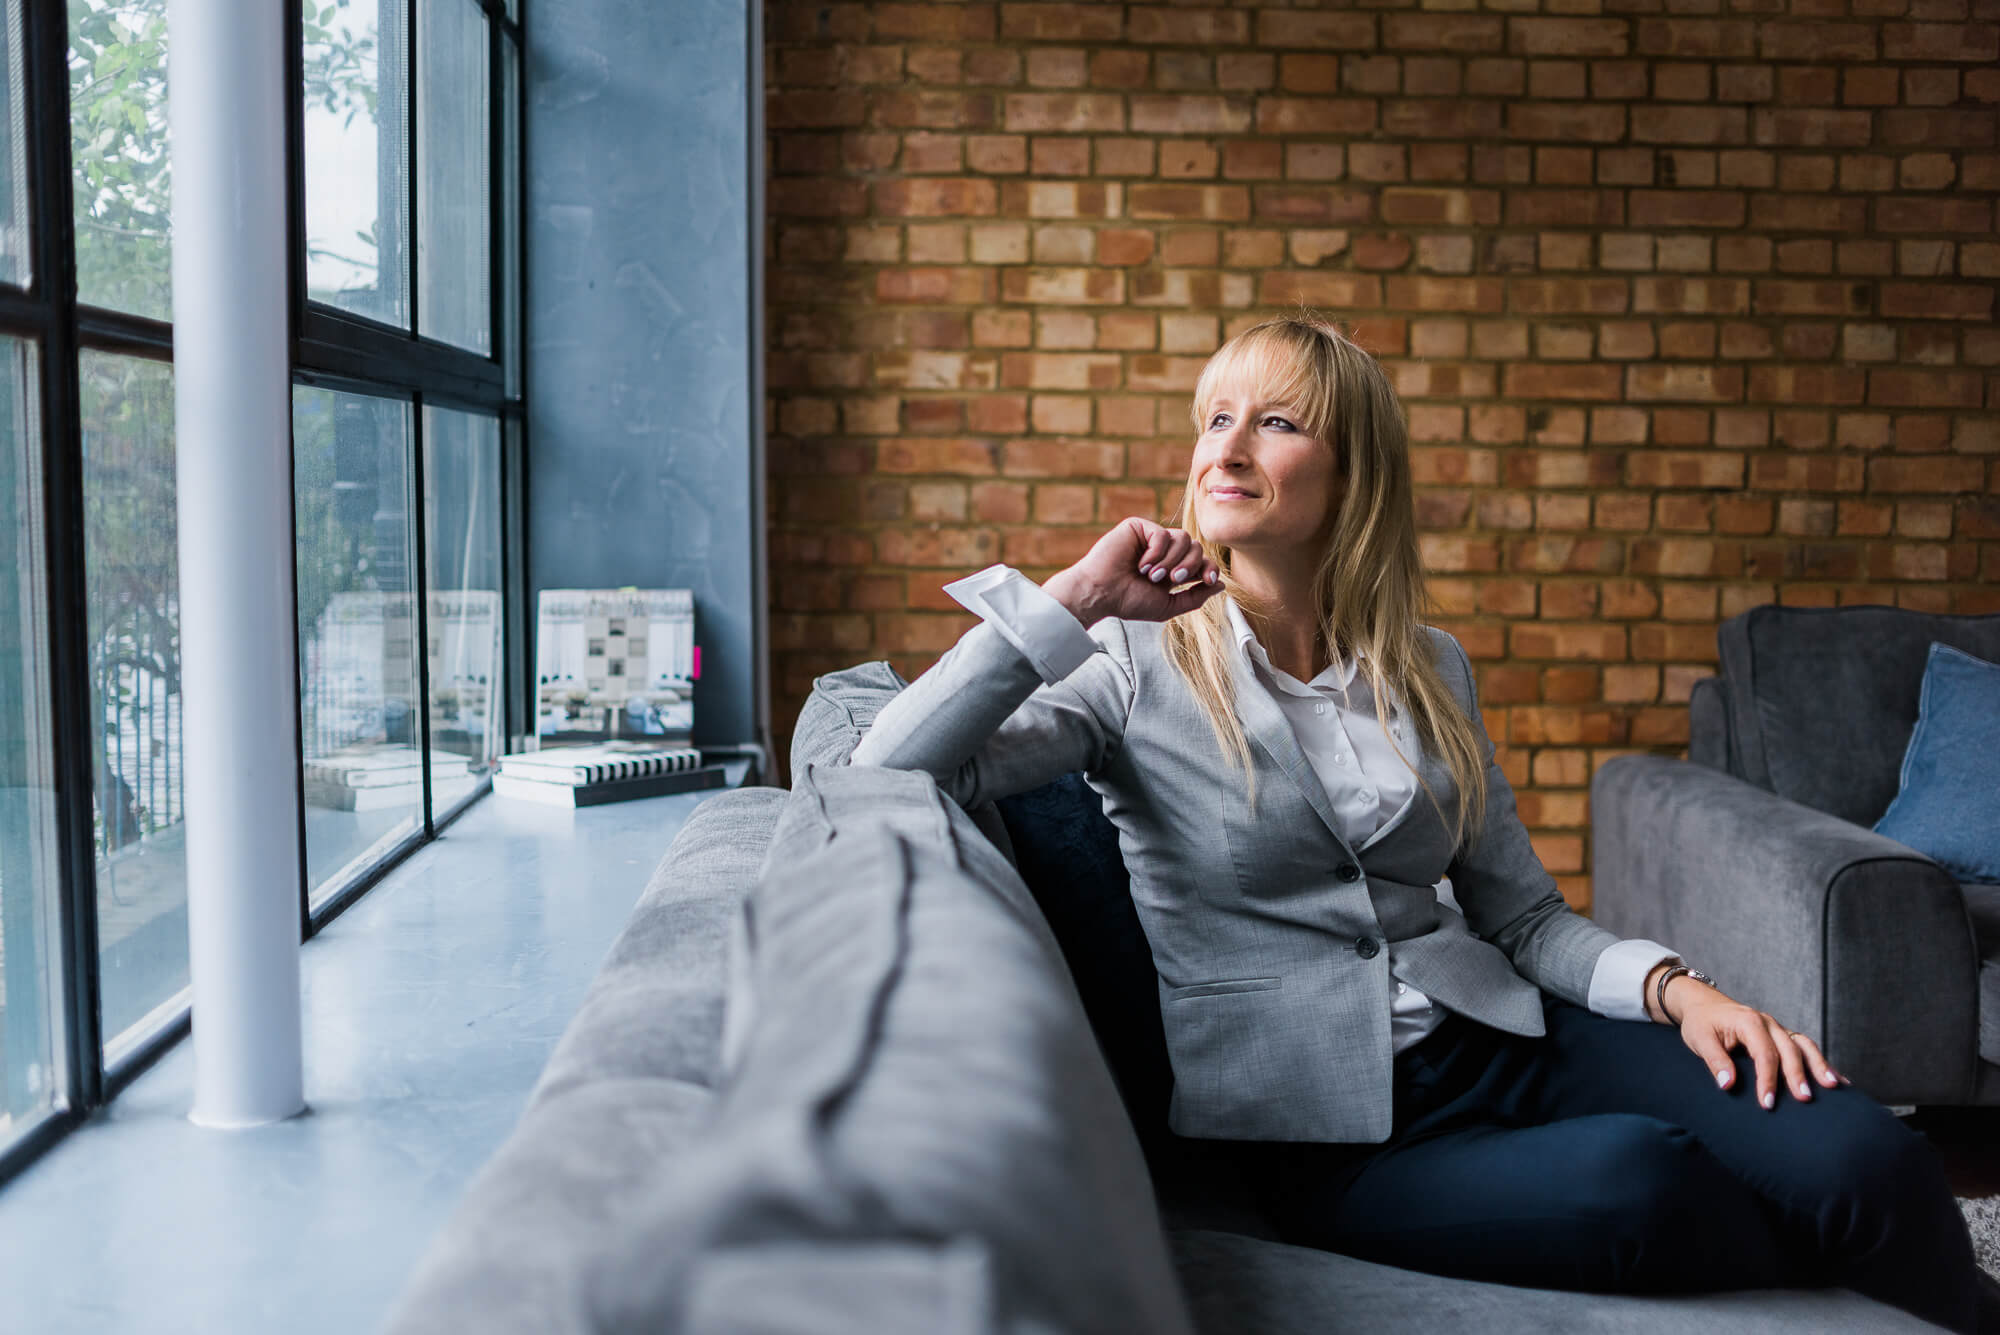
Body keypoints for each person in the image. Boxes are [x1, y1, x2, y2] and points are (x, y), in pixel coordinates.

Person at [849, 316, 1989, 1331]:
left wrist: (1682, 991)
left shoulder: (1424, 664)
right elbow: (884, 765)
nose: (1225, 448)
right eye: (1212, 418)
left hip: (1502, 1036)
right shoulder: (1123, 664)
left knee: (1861, 1152)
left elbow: (1525, 916)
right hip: (1326, 1133)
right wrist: (1076, 600)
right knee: (1638, 1185)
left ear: (1349, 478)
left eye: (1275, 421)